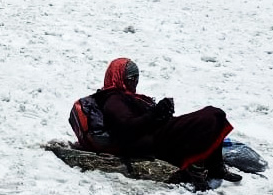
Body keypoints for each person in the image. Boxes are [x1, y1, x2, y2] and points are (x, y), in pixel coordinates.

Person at [95, 58, 241, 187]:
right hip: (153, 139)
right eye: (131, 78)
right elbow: (127, 127)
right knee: (210, 116)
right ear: (118, 77)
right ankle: (197, 168)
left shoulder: (127, 96)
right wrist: (155, 113)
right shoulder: (114, 99)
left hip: (158, 132)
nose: (135, 82)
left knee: (216, 116)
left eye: (136, 78)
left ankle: (215, 166)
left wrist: (162, 112)